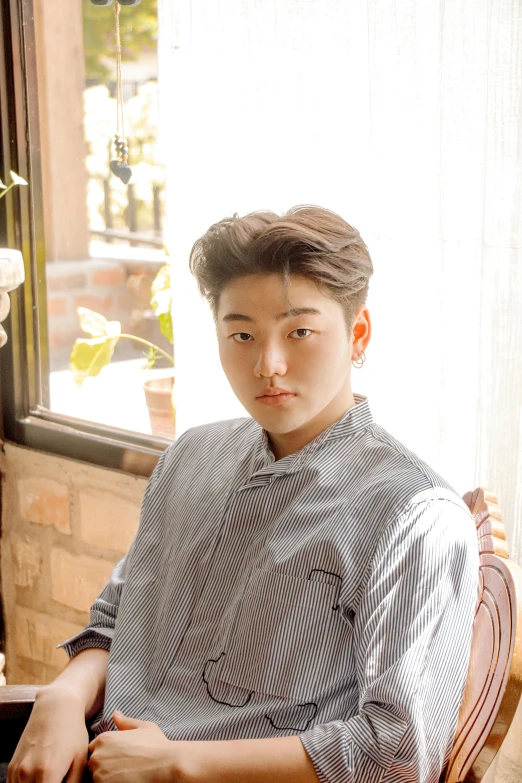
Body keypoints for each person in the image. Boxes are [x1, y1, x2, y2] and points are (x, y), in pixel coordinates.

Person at [8, 206, 479, 783]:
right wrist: (60, 699)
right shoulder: (192, 456)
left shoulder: (414, 515)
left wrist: (178, 765)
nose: (267, 364)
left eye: (299, 331)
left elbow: (398, 752)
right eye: (242, 334)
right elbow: (116, 621)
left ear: (357, 334)